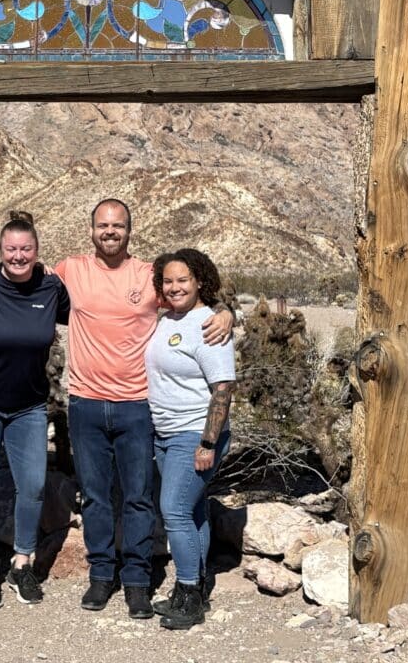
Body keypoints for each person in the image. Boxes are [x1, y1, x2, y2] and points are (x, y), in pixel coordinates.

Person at [54, 199, 232, 619]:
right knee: (96, 496)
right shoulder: (70, 270)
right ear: (91, 229)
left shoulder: (150, 276)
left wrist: (226, 312)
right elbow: (20, 279)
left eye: (117, 225)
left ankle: (136, 581)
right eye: (102, 225)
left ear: (130, 231)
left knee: (138, 497)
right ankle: (101, 576)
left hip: (137, 406)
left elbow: (194, 300)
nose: (109, 231)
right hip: (85, 401)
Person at [0, 212, 70, 609]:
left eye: (26, 249)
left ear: (37, 252)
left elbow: (96, 317)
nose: (18, 256)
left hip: (28, 406)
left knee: (34, 485)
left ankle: (22, 563)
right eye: (11, 249)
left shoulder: (51, 288)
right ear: (1, 251)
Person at [145, 248, 236, 630]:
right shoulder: (167, 319)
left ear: (200, 280)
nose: (175, 286)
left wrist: (208, 443)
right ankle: (193, 586)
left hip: (194, 434)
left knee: (175, 512)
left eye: (183, 279)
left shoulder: (210, 325)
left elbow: (223, 388)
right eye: (168, 281)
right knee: (193, 511)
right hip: (165, 434)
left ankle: (189, 596)